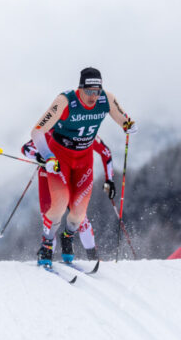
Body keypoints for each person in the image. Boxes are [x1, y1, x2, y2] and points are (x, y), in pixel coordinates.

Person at [30, 67, 136, 265]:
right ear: (80, 89)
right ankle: (47, 244)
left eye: (96, 91)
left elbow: (124, 119)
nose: (93, 97)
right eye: (88, 91)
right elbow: (36, 132)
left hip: (84, 159)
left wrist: (128, 125)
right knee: (60, 203)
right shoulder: (65, 101)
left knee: (78, 213)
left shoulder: (106, 99)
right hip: (60, 156)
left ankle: (67, 237)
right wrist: (48, 157)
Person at [21, 136, 114, 261]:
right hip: (48, 178)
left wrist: (109, 179)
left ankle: (90, 254)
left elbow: (105, 152)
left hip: (72, 177)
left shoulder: (87, 131)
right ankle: (46, 251)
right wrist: (38, 155)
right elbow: (26, 148)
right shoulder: (51, 128)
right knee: (49, 217)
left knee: (80, 217)